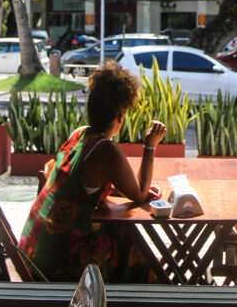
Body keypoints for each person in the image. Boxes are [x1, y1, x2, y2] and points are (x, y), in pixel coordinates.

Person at [18, 61, 166, 282]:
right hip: (61, 260)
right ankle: (155, 291)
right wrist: (150, 145)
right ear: (120, 115)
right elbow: (141, 195)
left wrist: (119, 189)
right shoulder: (105, 149)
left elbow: (85, 183)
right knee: (131, 244)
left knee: (124, 234)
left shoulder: (79, 135)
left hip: (35, 249)